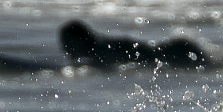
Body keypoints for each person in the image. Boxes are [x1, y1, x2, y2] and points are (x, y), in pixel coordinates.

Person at [59, 19, 208, 70]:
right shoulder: (102, 47)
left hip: (177, 51)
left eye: (66, 43)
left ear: (79, 39)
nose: (64, 49)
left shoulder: (101, 52)